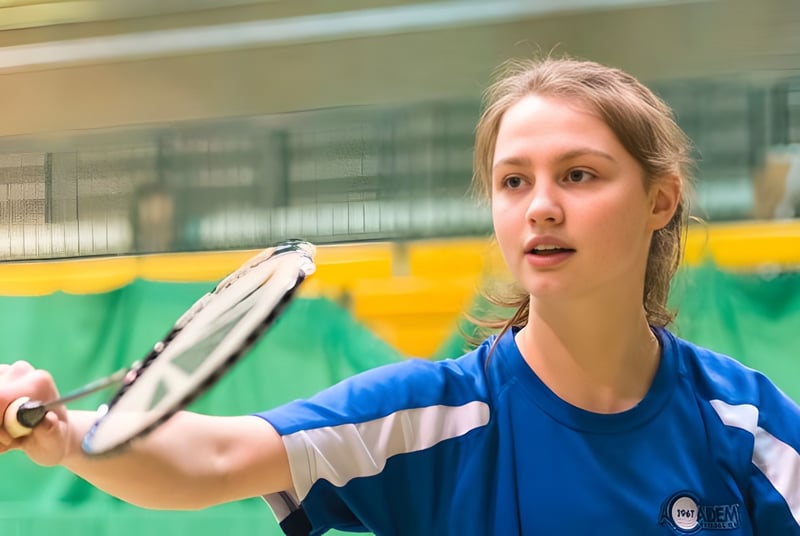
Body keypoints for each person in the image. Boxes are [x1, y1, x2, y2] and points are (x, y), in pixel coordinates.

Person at [1, 55, 799, 535]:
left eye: (579, 174)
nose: (541, 205)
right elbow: (213, 457)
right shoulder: (429, 417)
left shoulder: (748, 425)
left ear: (661, 201)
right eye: (513, 180)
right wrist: (70, 438)